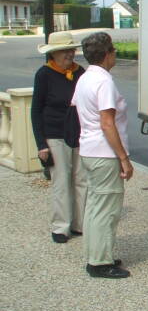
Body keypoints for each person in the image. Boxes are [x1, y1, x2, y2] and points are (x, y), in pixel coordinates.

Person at [72, 32, 133, 279]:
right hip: (104, 152)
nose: (116, 54)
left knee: (95, 206)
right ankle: (100, 262)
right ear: (107, 54)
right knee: (107, 208)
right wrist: (124, 157)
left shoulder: (85, 78)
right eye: (114, 50)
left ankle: (96, 253)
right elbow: (107, 123)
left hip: (88, 148)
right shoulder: (104, 81)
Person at [31, 31, 87, 244]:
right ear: (54, 54)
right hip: (54, 134)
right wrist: (41, 143)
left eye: (71, 50)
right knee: (61, 180)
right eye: (65, 51)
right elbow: (36, 110)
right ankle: (61, 226)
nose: (70, 55)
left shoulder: (79, 72)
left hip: (78, 134)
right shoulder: (44, 74)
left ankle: (80, 223)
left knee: (82, 180)